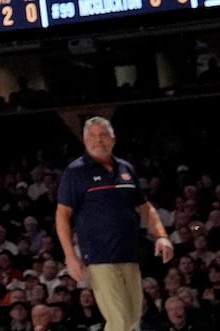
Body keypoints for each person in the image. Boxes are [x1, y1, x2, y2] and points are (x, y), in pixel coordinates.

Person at [55, 116, 175, 331]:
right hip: (100, 256)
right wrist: (71, 257)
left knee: (133, 318)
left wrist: (162, 235)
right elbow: (62, 215)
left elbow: (145, 206)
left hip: (130, 253)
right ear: (84, 140)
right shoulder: (76, 172)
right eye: (92, 136)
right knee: (118, 321)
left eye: (103, 135)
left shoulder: (126, 168)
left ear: (113, 139)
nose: (97, 140)